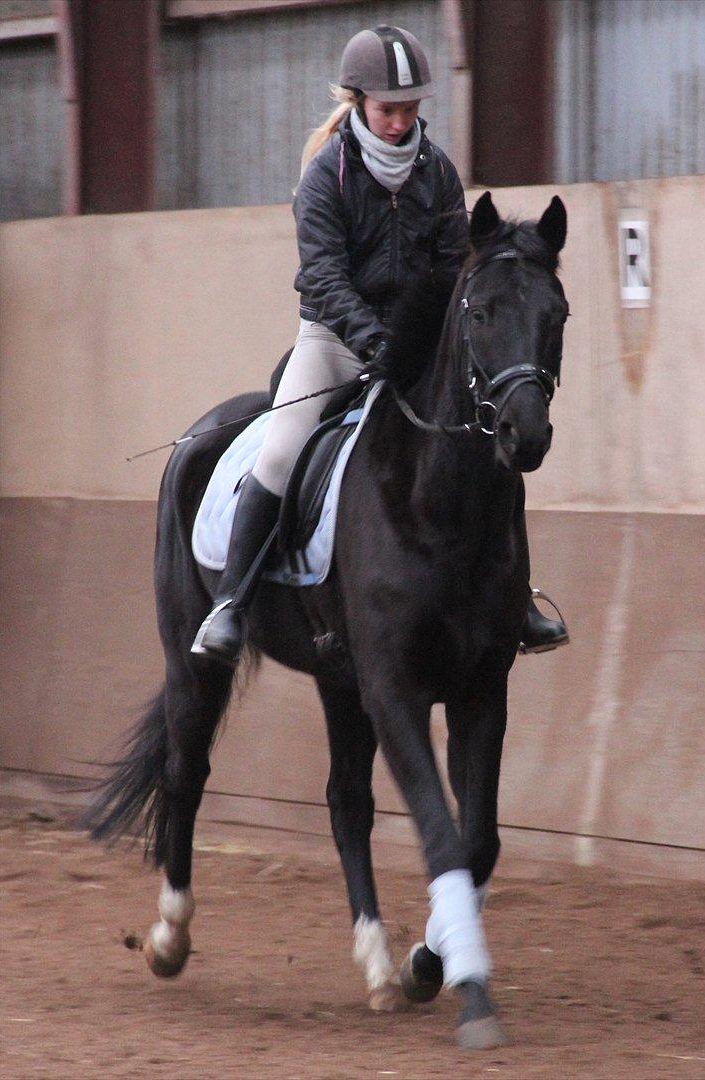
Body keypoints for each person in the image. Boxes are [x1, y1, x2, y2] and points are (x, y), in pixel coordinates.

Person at [192, 24, 569, 665]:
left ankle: (517, 601)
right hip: (334, 338)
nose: (399, 123)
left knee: (486, 442)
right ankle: (232, 603)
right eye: (387, 110)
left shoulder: (439, 173)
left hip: (418, 340)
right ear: (359, 102)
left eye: (410, 110)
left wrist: (423, 341)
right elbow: (324, 277)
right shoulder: (324, 179)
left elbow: (454, 266)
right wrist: (373, 341)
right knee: (282, 451)